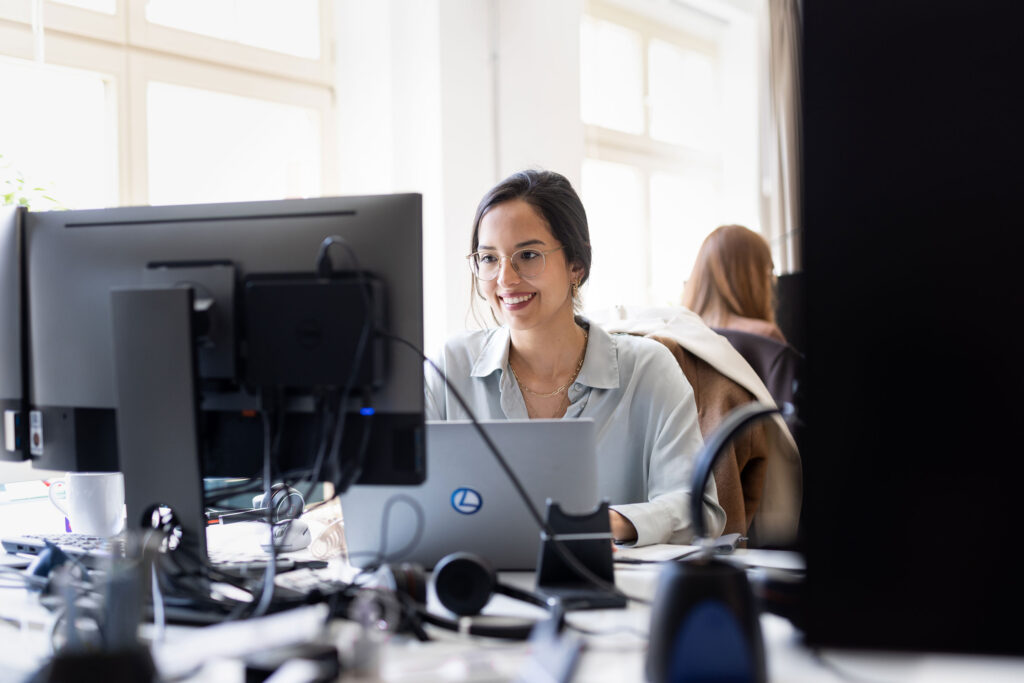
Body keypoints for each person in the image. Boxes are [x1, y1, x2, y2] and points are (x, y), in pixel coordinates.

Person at [424, 169, 726, 546]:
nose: (505, 279)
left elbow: (699, 510)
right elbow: (402, 496)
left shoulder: (649, 370)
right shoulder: (448, 367)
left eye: (528, 255)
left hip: (610, 595)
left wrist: (604, 524)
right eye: (488, 259)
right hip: (478, 593)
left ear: (576, 265)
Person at [682, 224, 786, 343]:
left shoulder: (679, 335)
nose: (771, 280)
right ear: (753, 278)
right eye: (767, 271)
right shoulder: (765, 336)